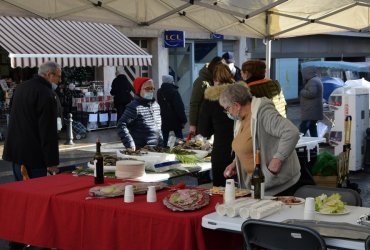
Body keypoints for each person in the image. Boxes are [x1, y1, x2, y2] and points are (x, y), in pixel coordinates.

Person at [219, 83, 301, 196]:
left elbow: (291, 132)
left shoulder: (264, 113)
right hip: (258, 184)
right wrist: (235, 163)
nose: (228, 113)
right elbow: (248, 145)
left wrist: (277, 160)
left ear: (237, 105)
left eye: (227, 109)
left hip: (278, 186)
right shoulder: (240, 119)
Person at [3, 61, 61, 181]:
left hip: (16, 153)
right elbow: (48, 130)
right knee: (37, 195)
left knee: (22, 194)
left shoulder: (21, 87)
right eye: (58, 76)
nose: (59, 81)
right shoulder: (46, 94)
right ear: (50, 75)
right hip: (34, 156)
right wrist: (52, 162)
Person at [198, 64, 235, 186]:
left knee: (222, 191)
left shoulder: (210, 100)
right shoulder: (241, 95)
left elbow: (204, 131)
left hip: (222, 151)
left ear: (214, 80)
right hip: (244, 149)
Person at [117, 77, 163, 150]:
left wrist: (161, 144)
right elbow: (121, 124)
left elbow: (158, 129)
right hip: (141, 149)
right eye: (147, 89)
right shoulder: (134, 106)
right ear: (139, 90)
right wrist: (130, 144)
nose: (151, 91)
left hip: (156, 149)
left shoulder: (156, 105)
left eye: (152, 88)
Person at [189, 56, 223, 135]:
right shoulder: (201, 82)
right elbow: (194, 103)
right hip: (203, 122)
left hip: (214, 121)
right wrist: (192, 124)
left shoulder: (216, 80)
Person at [156, 75, 187, 146]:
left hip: (164, 117)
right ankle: (180, 149)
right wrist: (184, 119)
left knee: (165, 137)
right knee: (179, 138)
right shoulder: (174, 91)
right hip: (175, 118)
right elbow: (179, 107)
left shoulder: (159, 92)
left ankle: (164, 149)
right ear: (171, 81)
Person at [299, 66, 324, 137]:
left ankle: (297, 143)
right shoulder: (315, 80)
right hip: (313, 110)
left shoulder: (312, 81)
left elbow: (311, 93)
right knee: (312, 128)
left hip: (311, 111)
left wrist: (302, 91)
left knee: (303, 129)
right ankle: (314, 146)